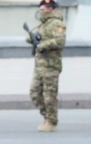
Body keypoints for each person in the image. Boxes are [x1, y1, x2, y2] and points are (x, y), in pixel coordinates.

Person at [28, 0, 66, 132]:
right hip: (40, 65)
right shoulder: (44, 24)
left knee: (49, 95)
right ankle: (46, 116)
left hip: (50, 64)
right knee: (34, 92)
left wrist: (43, 45)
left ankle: (52, 121)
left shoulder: (56, 23)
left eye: (43, 9)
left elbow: (60, 41)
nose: (41, 12)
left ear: (50, 9)